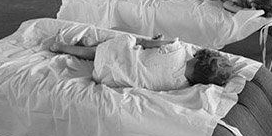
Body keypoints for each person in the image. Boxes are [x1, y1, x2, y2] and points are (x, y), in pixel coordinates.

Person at [49, 33, 232, 91]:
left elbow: (144, 43)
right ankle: (94, 46)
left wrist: (155, 41)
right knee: (119, 57)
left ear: (202, 55)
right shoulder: (181, 86)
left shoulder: (179, 49)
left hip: (115, 59)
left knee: (129, 41)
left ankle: (63, 46)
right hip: (109, 80)